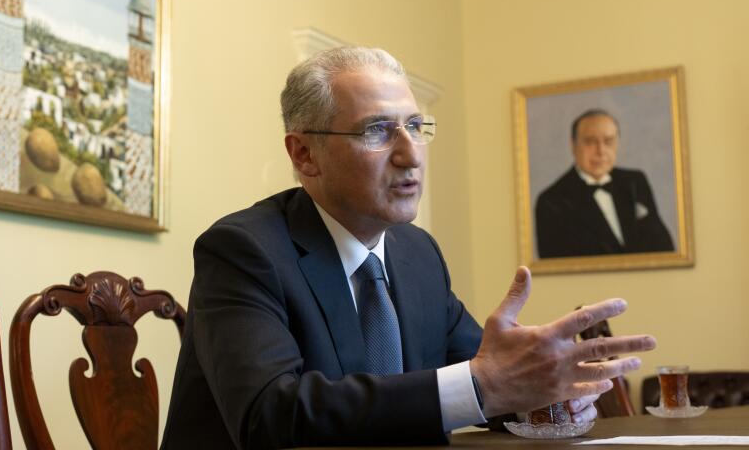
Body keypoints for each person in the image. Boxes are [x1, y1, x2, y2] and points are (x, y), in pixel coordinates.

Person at [161, 48, 656, 449]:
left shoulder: (416, 253)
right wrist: (488, 385)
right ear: (304, 155)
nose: (410, 153)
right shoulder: (243, 250)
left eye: (416, 127)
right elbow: (270, 416)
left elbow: (483, 371)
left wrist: (538, 396)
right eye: (378, 130)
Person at [535, 109, 675, 259]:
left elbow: (664, 247)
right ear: (573, 145)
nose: (601, 151)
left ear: (617, 143)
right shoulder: (551, 201)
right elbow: (559, 268)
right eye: (590, 142)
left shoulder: (636, 181)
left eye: (608, 141)